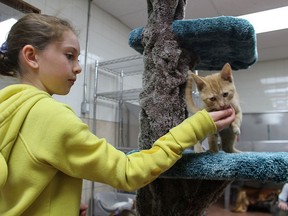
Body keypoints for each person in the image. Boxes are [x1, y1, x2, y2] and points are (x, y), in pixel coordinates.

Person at [0, 13, 235, 216]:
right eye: (69, 55)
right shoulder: (50, 115)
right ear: (31, 56)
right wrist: (196, 126)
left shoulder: (10, 109)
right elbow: (126, 172)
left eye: (78, 58)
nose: (78, 67)